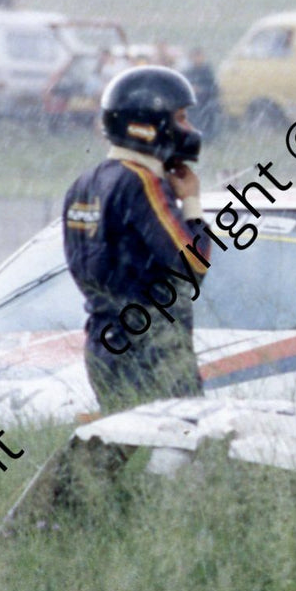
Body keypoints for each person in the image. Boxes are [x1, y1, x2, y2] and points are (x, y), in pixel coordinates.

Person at [62, 65, 212, 413]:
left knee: (125, 456)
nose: (189, 129)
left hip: (102, 345)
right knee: (180, 453)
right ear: (148, 126)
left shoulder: (84, 184)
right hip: (150, 351)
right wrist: (191, 201)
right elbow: (194, 263)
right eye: (181, 117)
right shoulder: (141, 182)